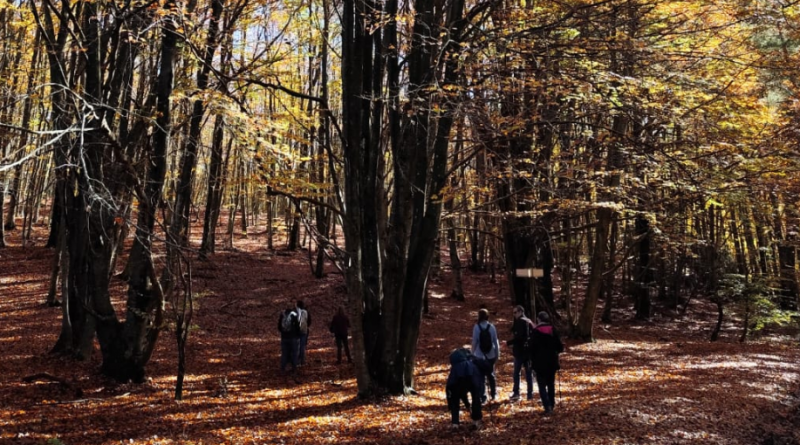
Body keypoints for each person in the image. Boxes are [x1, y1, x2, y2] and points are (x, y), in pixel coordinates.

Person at [529, 311, 564, 414]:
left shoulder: (535, 332)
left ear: (539, 320)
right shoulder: (553, 330)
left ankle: (547, 406)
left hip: (539, 363)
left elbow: (531, 348)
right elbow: (560, 347)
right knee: (550, 384)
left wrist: (531, 360)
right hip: (552, 362)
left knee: (542, 385)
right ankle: (551, 404)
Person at [446, 348, 483, 430]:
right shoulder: (472, 363)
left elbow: (451, 388)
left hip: (457, 382)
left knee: (455, 399)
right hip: (473, 379)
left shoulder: (455, 368)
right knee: (476, 398)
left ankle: (455, 423)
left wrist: (450, 405)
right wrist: (468, 405)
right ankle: (476, 421)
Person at [471, 308, 500, 403]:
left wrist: (472, 353)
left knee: (481, 376)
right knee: (491, 375)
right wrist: (497, 354)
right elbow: (495, 341)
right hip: (490, 355)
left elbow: (474, 342)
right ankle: (493, 394)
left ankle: (483, 397)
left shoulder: (476, 327)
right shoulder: (491, 327)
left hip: (479, 355)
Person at [506, 305, 534, 401]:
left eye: (515, 312)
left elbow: (519, 338)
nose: (514, 315)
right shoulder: (528, 321)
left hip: (520, 352)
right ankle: (530, 394)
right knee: (528, 373)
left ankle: (517, 392)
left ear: (521, 312)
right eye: (513, 313)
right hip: (528, 351)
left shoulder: (521, 322)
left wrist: (508, 343)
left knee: (517, 373)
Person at [278, 307, 300, 373]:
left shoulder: (282, 315)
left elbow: (279, 327)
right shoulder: (294, 315)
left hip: (284, 337)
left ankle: (283, 368)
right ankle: (294, 367)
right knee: (294, 352)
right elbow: (297, 326)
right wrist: (297, 335)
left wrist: (283, 332)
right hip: (293, 337)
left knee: (284, 353)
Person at [296, 300, 311, 366]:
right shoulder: (306, 312)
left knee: (297, 346)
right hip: (304, 330)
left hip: (297, 331)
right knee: (302, 346)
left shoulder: (295, 312)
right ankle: (302, 361)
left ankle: (298, 361)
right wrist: (307, 326)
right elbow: (309, 321)